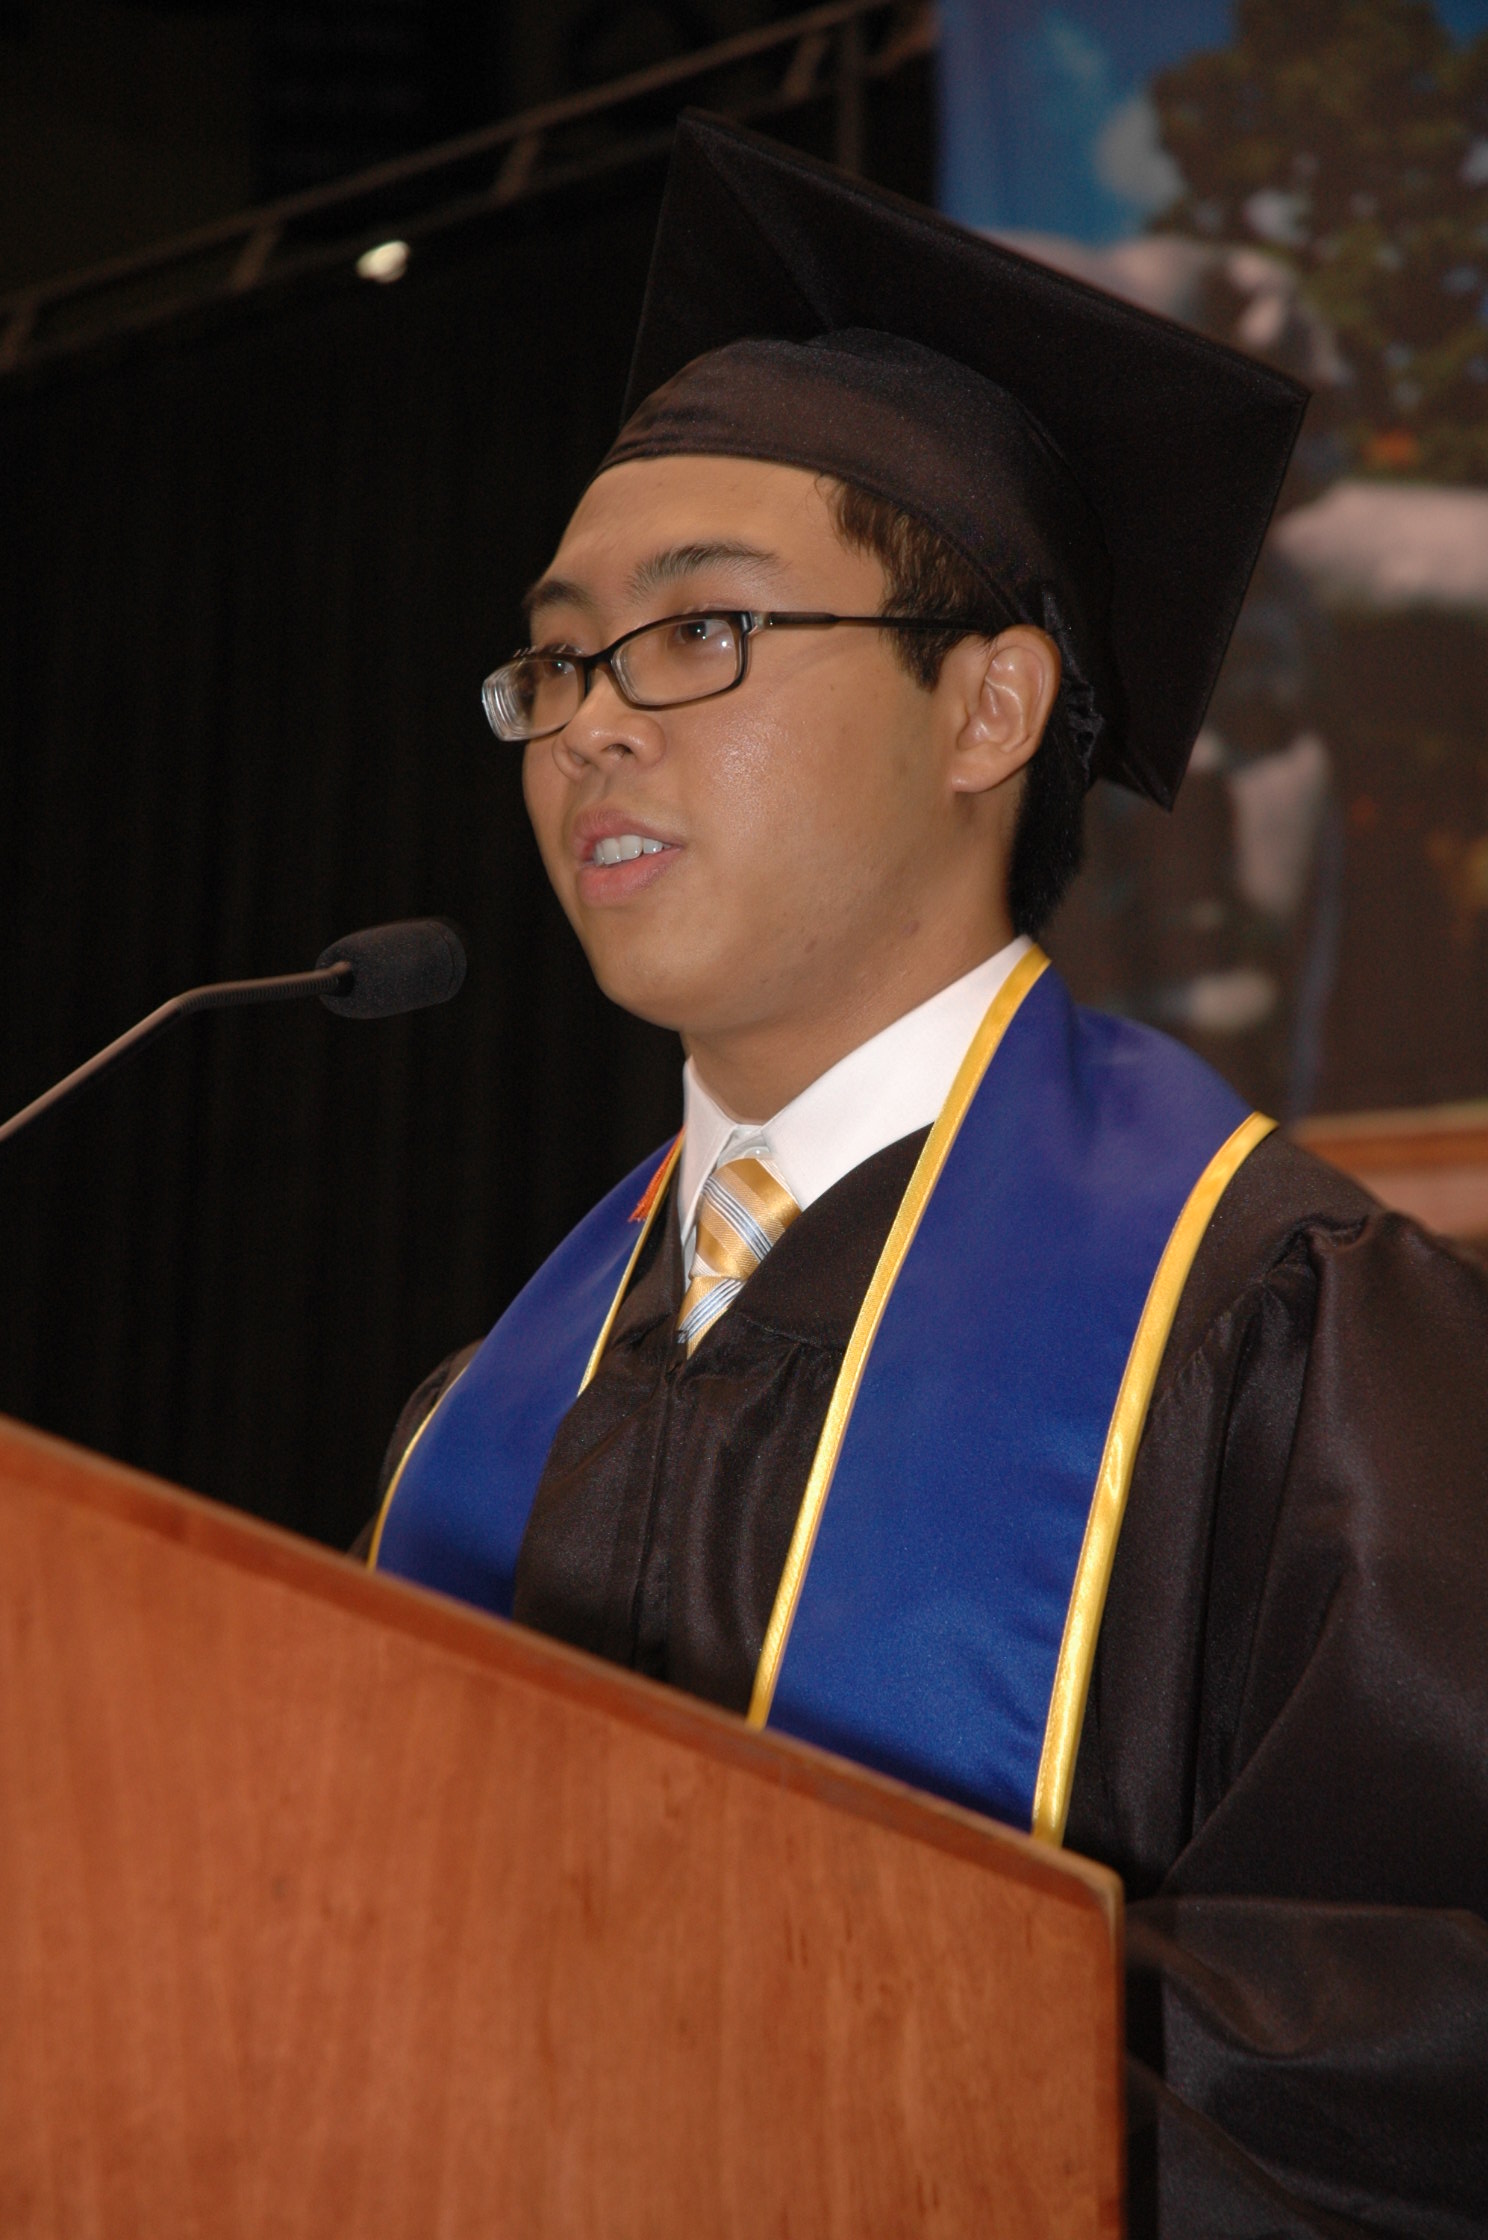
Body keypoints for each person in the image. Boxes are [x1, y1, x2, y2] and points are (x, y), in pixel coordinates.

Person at [363, 117, 1488, 2235]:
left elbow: (1413, 2061)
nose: (590, 723)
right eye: (558, 657)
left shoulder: (1286, 1340)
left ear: (988, 706)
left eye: (698, 632)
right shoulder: (486, 1412)